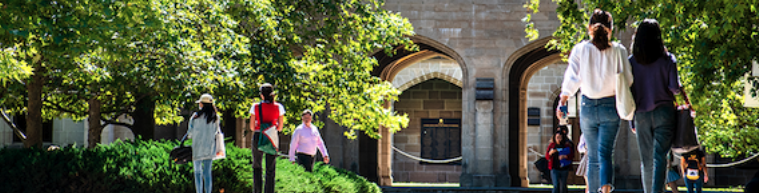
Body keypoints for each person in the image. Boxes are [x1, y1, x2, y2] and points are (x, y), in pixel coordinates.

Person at [557, 8, 631, 193]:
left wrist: (563, 100)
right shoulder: (618, 50)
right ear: (611, 29)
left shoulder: (580, 49)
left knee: (593, 157)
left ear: (589, 28)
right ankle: (605, 190)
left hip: (588, 106)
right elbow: (628, 79)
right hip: (610, 106)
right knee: (606, 154)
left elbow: (572, 78)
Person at [628, 18, 682, 193]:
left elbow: (630, 91)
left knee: (646, 160)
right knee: (660, 157)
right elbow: (674, 88)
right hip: (664, 112)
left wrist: (631, 121)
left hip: (641, 114)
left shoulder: (631, 62)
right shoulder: (668, 59)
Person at [249, 83, 285, 193]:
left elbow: (251, 127)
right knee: (270, 168)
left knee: (257, 165)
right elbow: (280, 128)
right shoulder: (279, 107)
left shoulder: (255, 107)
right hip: (272, 137)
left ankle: (257, 190)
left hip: (258, 135)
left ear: (261, 95)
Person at [187, 94, 220, 193]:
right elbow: (217, 131)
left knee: (197, 172)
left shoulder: (195, 116)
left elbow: (190, 133)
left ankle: (199, 191)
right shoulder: (215, 117)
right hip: (210, 148)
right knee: (207, 172)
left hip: (197, 148)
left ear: (202, 104)